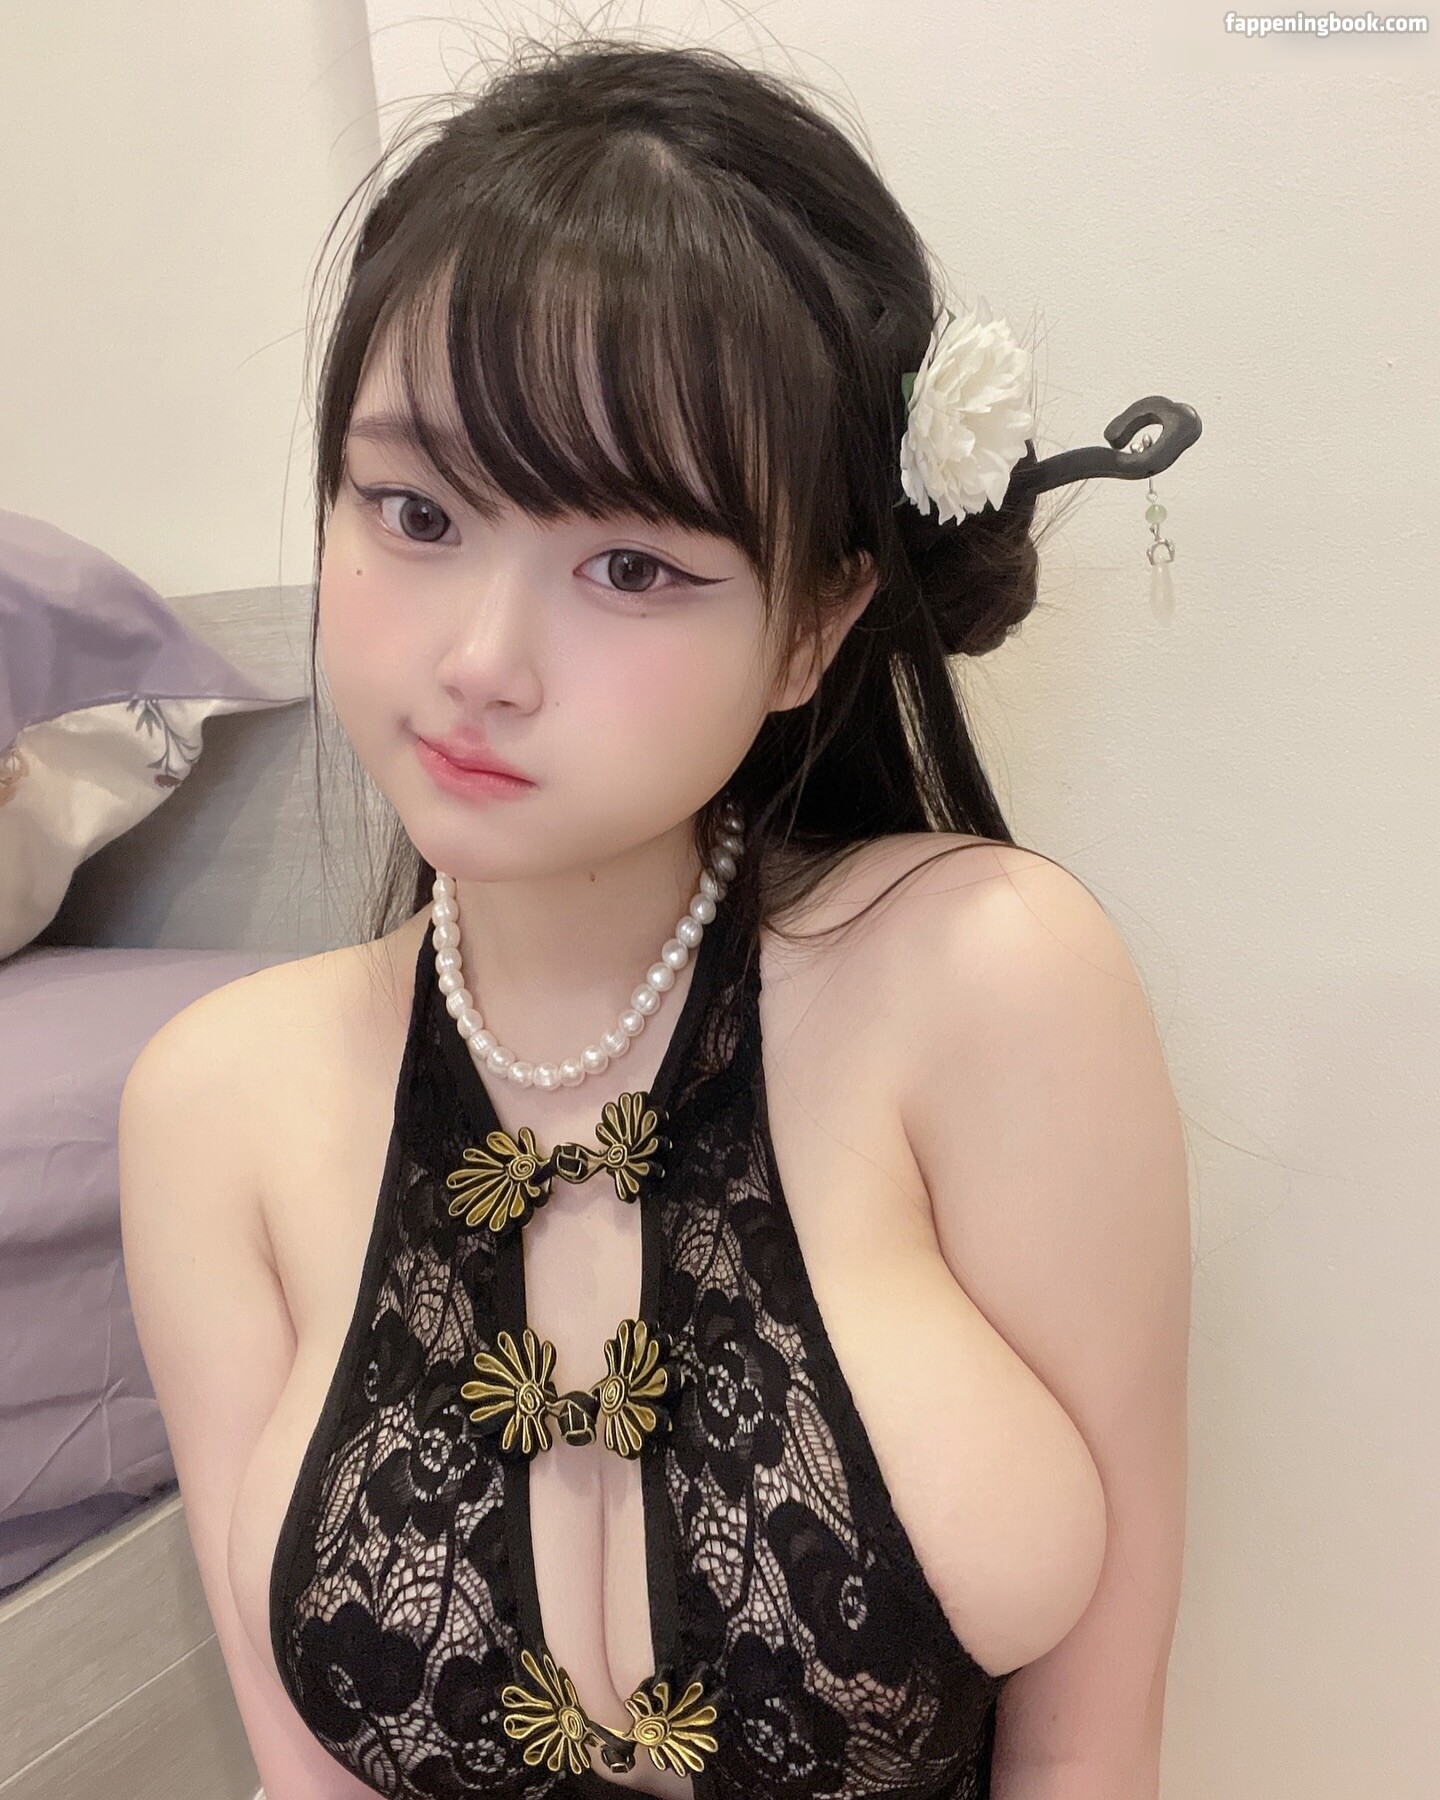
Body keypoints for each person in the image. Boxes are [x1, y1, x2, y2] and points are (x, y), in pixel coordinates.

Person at [119, 33, 1192, 1800]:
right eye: (415, 511)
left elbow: (1095, 1752)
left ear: (813, 626)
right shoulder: (210, 1107)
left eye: (631, 565)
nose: (481, 659)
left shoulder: (990, 982)